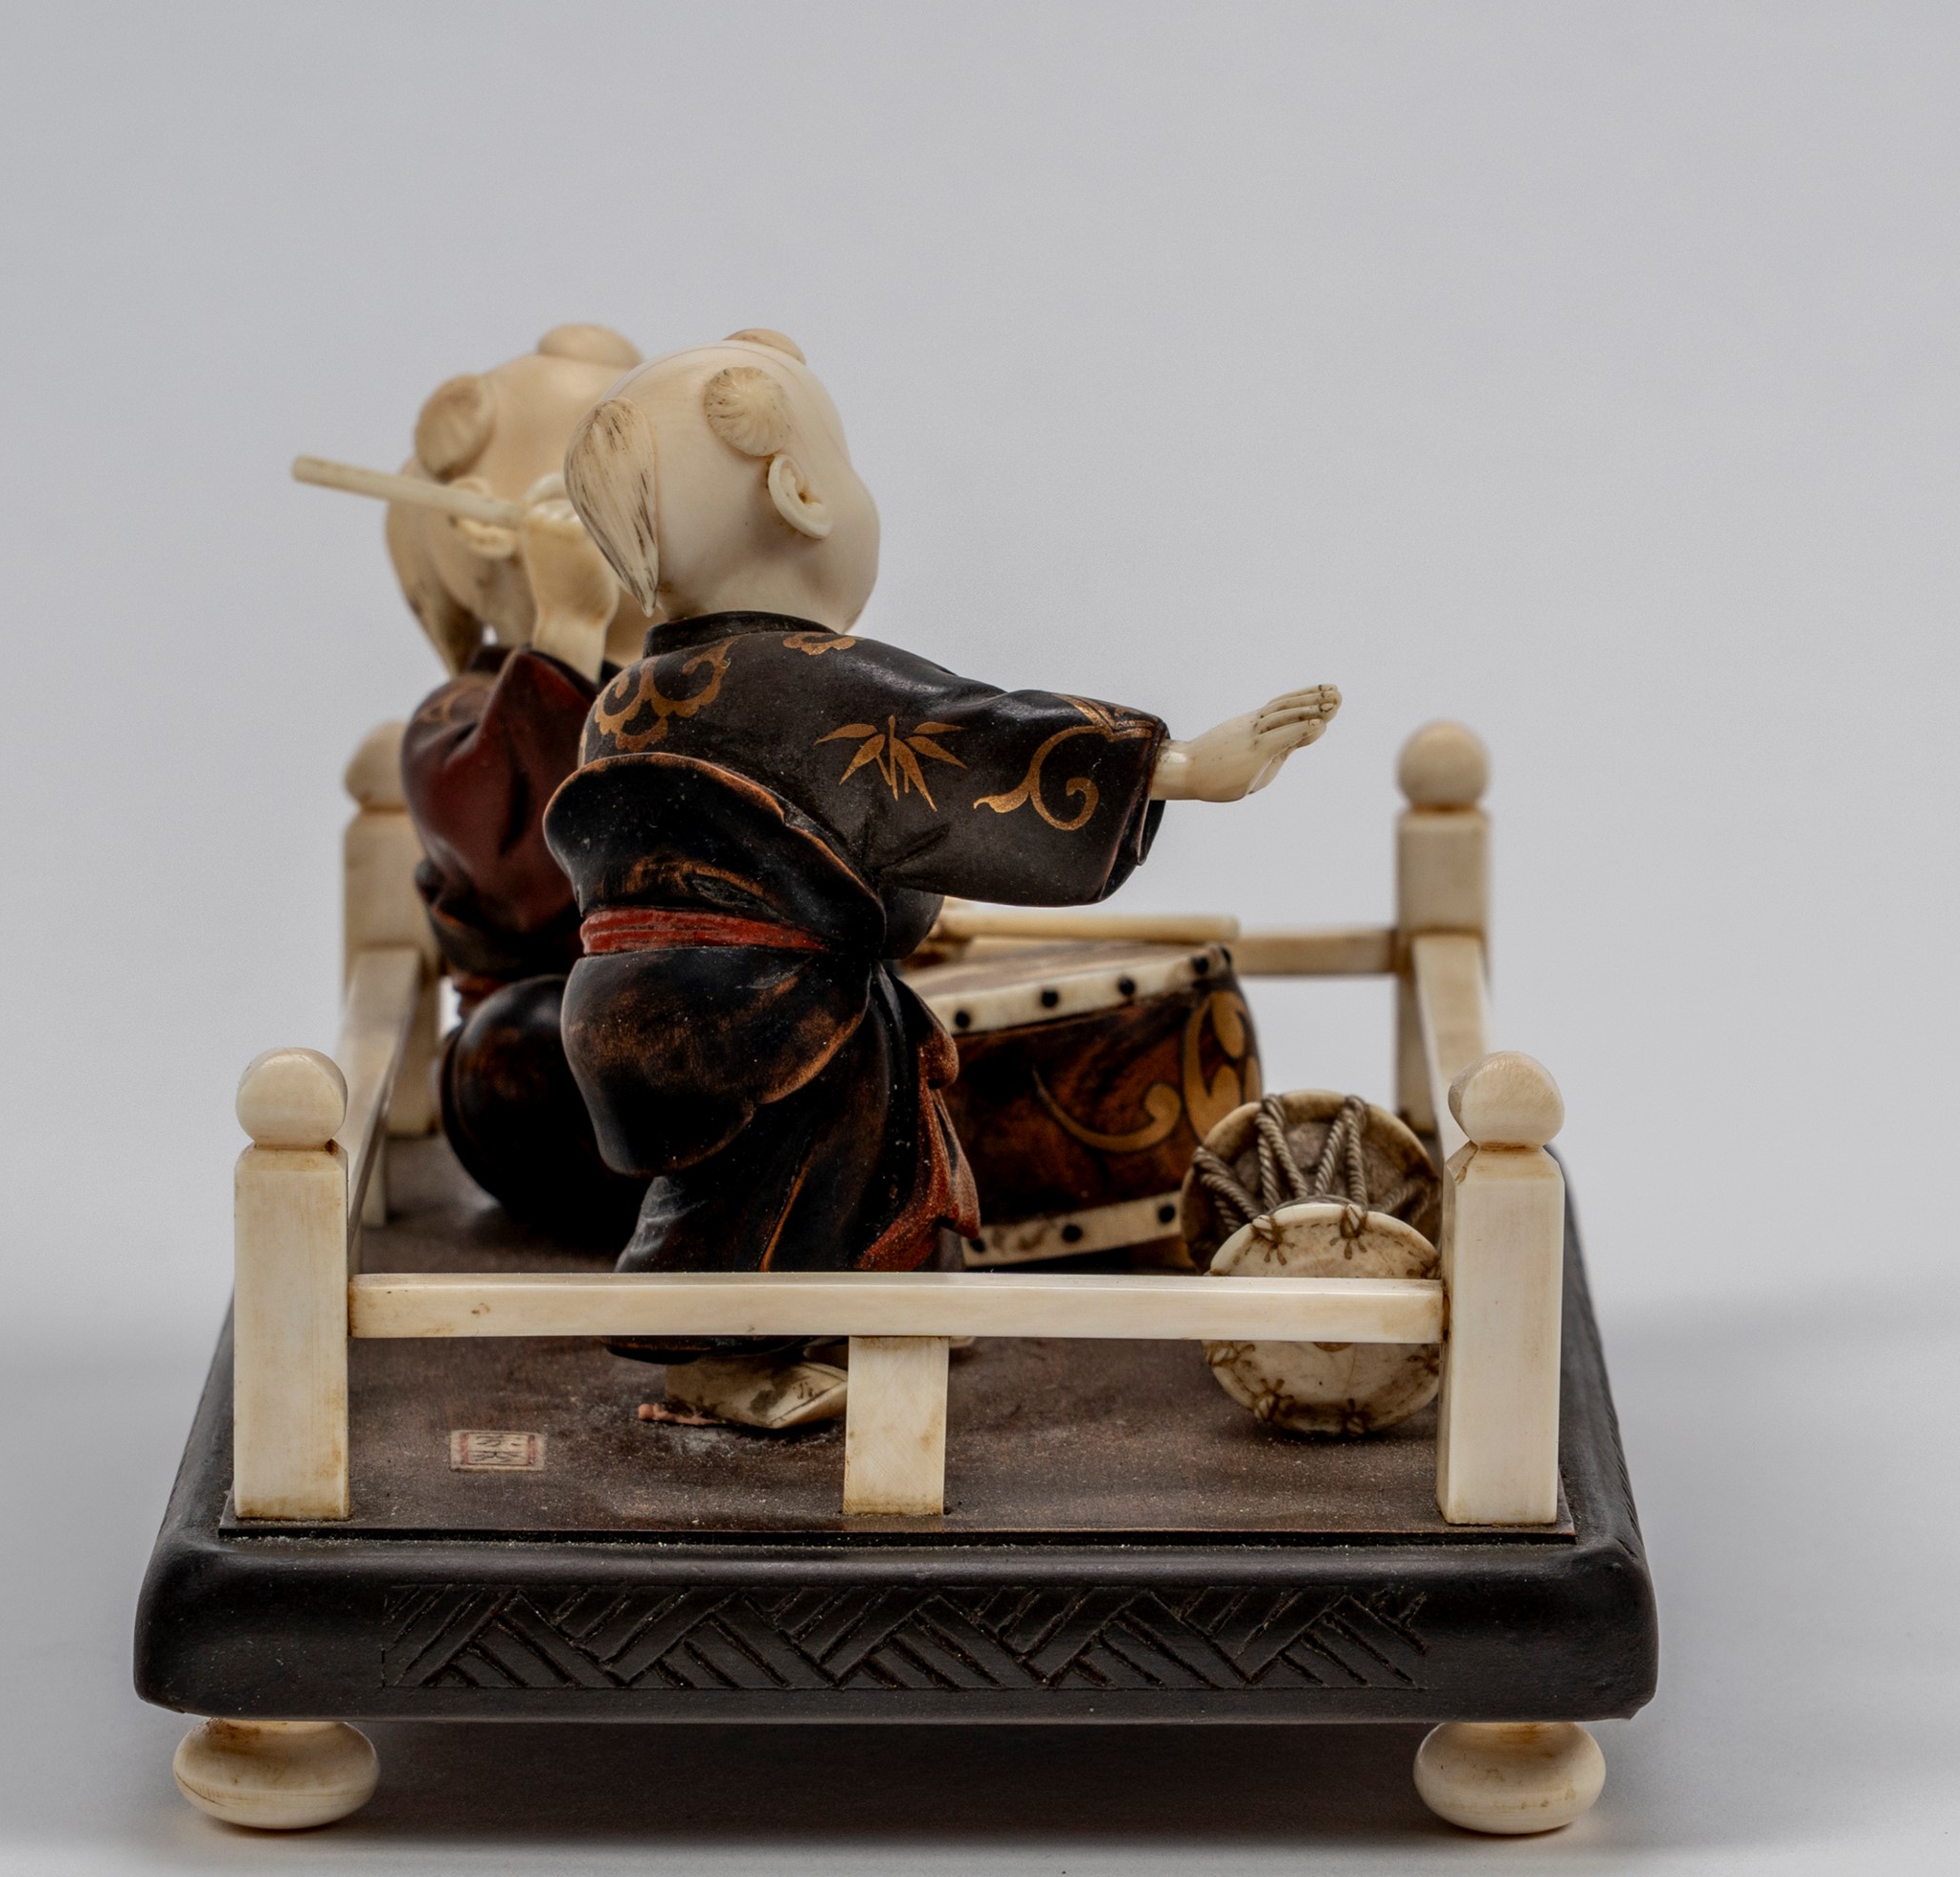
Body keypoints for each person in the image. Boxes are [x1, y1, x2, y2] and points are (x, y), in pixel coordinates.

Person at [544, 331, 1338, 1426]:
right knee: (772, 1179)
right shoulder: (808, 681)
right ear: (802, 491)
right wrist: (1185, 767)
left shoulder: (625, 698)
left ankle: (877, 1313)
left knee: (825, 1162)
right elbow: (968, 740)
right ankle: (720, 1366)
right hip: (769, 1010)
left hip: (643, 1004)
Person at [377, 325, 654, 1248]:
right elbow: (535, 871)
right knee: (536, 1041)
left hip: (700, 1014)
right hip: (553, 1050)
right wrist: (567, 627)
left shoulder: (682, 686)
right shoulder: (452, 719)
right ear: (485, 522)